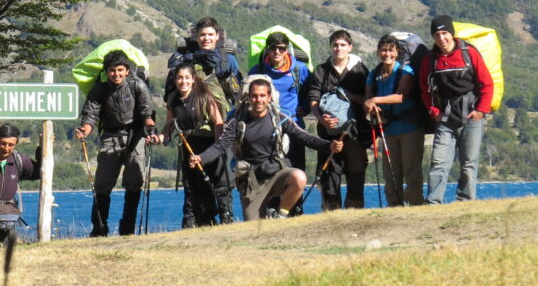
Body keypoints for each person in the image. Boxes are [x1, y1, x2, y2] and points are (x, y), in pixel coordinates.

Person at [191, 77, 341, 220]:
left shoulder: (279, 118)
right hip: (251, 182)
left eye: (262, 95)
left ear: (269, 97)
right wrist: (201, 158)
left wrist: (329, 146)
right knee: (254, 227)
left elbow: (304, 137)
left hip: (276, 174)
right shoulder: (237, 123)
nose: (258, 100)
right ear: (248, 98)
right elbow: (220, 146)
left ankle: (280, 216)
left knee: (299, 177)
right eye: (254, 96)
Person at [74, 49, 155, 237]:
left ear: (127, 70)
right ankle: (99, 228)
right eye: (112, 70)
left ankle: (128, 228)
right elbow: (90, 115)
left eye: (120, 70)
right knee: (102, 184)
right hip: (110, 136)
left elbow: (146, 112)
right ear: (106, 71)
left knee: (135, 182)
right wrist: (84, 130)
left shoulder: (138, 86)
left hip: (136, 135)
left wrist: (150, 128)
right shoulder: (99, 89)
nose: (116, 74)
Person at [419, 15, 494, 203]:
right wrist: (433, 112)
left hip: (471, 117)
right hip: (445, 119)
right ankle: (433, 202)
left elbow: (487, 84)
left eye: (445, 33)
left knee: (469, 163)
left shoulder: (469, 53)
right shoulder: (430, 60)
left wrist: (480, 111)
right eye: (437, 34)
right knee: (439, 162)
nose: (441, 38)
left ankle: (466, 201)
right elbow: (424, 89)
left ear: (451, 33)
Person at [151, 62, 230, 226]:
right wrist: (159, 138)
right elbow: (169, 125)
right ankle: (194, 222)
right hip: (188, 146)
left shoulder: (204, 95)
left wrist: (217, 149)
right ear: (175, 80)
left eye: (187, 78)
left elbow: (218, 122)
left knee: (215, 184)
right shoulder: (173, 99)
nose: (183, 81)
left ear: (193, 79)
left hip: (208, 144)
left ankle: (225, 220)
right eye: (180, 78)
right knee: (191, 186)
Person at [306, 29, 370, 210]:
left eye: (343, 45)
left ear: (350, 47)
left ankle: (354, 217)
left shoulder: (360, 70)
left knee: (356, 176)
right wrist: (321, 119)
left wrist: (350, 96)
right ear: (331, 47)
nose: (338, 48)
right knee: (329, 177)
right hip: (328, 135)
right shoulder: (321, 71)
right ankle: (331, 217)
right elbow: (313, 100)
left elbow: (367, 98)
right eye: (335, 45)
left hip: (355, 134)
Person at [363, 34, 425, 206]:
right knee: (391, 173)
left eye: (391, 50)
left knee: (411, 171)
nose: (387, 54)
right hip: (388, 129)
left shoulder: (406, 70)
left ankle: (415, 205)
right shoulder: (373, 74)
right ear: (378, 52)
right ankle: (394, 207)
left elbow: (400, 97)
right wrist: (369, 106)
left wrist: (375, 100)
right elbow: (366, 100)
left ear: (398, 52)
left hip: (409, 128)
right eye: (383, 50)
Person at [248, 30, 311, 172]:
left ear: (287, 50)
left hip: (294, 127)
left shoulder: (299, 69)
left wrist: (306, 108)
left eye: (281, 48)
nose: (277, 51)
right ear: (267, 49)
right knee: (269, 174)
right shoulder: (257, 70)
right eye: (273, 48)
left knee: (296, 171)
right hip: (265, 129)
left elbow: (313, 92)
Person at [166, 17, 242, 119]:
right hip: (190, 114)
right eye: (202, 35)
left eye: (210, 35)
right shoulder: (185, 59)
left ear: (217, 36)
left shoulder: (227, 59)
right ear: (197, 36)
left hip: (223, 114)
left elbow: (237, 89)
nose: (206, 38)